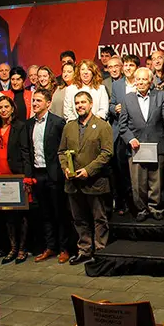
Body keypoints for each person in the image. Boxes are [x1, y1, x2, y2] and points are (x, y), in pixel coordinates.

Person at [60, 91, 113, 265]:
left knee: (99, 218)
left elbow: (107, 153)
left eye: (83, 102)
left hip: (94, 181)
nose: (79, 106)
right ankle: (84, 250)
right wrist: (66, 168)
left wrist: (89, 170)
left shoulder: (103, 126)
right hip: (73, 183)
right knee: (79, 219)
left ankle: (100, 251)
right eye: (77, 103)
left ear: (91, 104)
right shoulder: (69, 127)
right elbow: (61, 152)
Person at [0, 96, 33, 264]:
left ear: (12, 108)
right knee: (7, 216)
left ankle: (22, 249)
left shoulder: (20, 126)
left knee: (21, 215)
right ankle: (13, 248)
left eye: (6, 107)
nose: (3, 110)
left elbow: (25, 153)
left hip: (17, 176)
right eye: (0, 107)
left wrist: (28, 178)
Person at [119, 67, 164, 222]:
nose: (141, 82)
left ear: (151, 81)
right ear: (134, 81)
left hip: (156, 144)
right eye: (138, 79)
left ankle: (155, 208)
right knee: (138, 182)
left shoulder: (160, 95)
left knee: (156, 180)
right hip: (136, 146)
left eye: (144, 79)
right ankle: (142, 209)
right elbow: (122, 125)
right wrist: (130, 139)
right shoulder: (127, 99)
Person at [27, 89, 69, 264]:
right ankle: (50, 246)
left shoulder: (58, 123)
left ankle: (65, 248)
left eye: (38, 100)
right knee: (45, 214)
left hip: (55, 174)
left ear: (48, 103)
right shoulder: (29, 124)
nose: (35, 103)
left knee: (60, 213)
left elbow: (65, 148)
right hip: (38, 174)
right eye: (33, 101)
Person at [108, 55, 139, 215]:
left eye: (131, 65)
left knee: (137, 169)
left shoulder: (141, 81)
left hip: (137, 131)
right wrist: (115, 109)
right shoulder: (117, 85)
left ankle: (138, 203)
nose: (127, 68)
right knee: (120, 169)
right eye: (125, 65)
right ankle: (123, 202)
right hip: (120, 130)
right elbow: (111, 105)